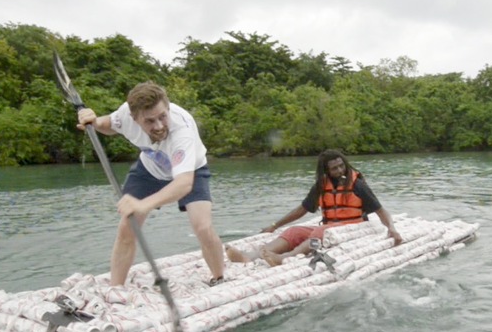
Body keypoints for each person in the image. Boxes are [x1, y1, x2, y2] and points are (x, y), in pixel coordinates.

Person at [76, 82, 226, 287]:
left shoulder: (182, 132)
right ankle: (116, 288)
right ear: (134, 118)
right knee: (128, 228)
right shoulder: (124, 115)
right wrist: (93, 121)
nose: (158, 126)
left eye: (162, 116)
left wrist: (143, 204)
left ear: (168, 107)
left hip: (191, 170)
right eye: (149, 121)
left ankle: (218, 278)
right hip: (150, 167)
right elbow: (109, 125)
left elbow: (183, 184)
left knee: (202, 226)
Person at [226, 149, 403, 267]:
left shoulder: (357, 184)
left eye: (342, 165)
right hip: (329, 226)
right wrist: (275, 225)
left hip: (352, 227)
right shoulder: (321, 185)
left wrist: (392, 229)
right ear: (326, 171)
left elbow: (380, 210)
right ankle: (251, 256)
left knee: (321, 232)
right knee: (294, 231)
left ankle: (287, 257)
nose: (340, 170)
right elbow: (302, 209)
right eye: (334, 168)